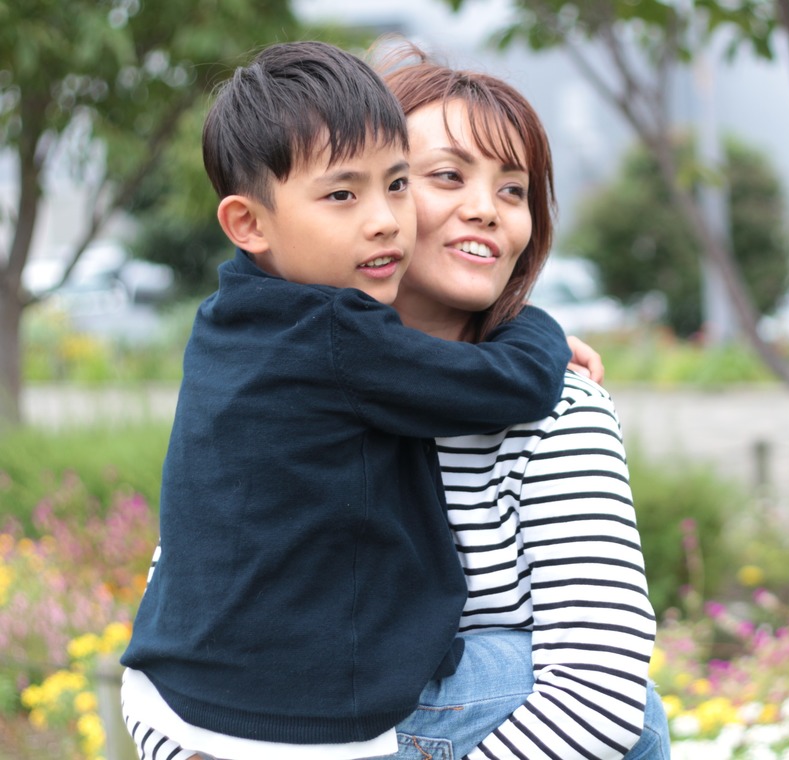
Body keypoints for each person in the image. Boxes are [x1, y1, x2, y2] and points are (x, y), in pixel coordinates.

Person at [118, 40, 573, 760]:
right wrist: (537, 330)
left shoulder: (229, 319)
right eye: (342, 194)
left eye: (397, 185)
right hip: (299, 717)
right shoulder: (336, 332)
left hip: (176, 689)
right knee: (637, 717)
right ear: (249, 224)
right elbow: (508, 386)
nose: (386, 220)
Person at [376, 44, 670, 760]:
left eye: (514, 191)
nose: (487, 210)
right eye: (448, 176)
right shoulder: (282, 392)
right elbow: (178, 634)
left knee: (512, 679)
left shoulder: (555, 408)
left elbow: (600, 694)